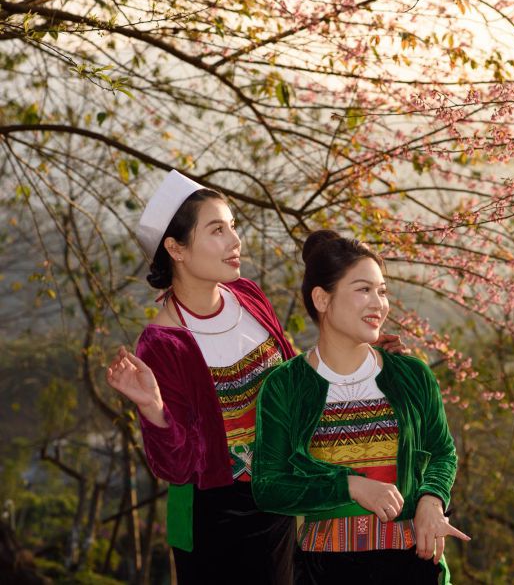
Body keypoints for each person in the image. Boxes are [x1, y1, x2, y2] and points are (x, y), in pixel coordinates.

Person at [106, 170, 403, 584]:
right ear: (176, 248)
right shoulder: (163, 343)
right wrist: (153, 408)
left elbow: (291, 382)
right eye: (216, 230)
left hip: (275, 500)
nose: (234, 241)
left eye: (232, 227)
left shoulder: (247, 295)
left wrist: (359, 353)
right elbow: (177, 467)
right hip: (214, 520)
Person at [252, 231, 469, 585]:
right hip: (326, 571)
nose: (379, 303)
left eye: (382, 291)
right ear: (322, 299)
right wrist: (349, 486)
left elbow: (443, 451)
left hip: (411, 565)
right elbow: (269, 486)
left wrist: (432, 499)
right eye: (363, 289)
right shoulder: (286, 385)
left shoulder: (410, 374)